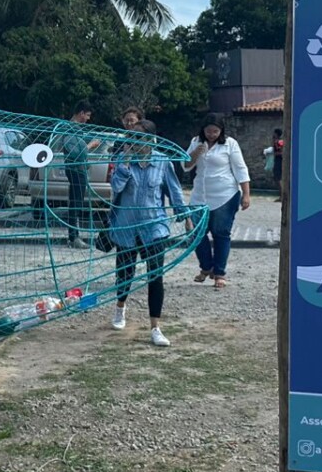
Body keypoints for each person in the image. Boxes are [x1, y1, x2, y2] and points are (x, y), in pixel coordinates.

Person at [107, 120, 189, 347]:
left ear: (151, 140)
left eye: (139, 137)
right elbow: (116, 187)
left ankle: (155, 327)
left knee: (155, 275)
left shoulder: (162, 161)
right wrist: (124, 163)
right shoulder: (122, 159)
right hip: (126, 226)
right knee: (125, 272)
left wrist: (185, 216)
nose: (134, 142)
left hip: (154, 227)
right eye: (132, 137)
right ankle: (120, 307)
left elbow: (174, 191)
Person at [184, 113, 251, 288]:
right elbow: (186, 166)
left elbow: (240, 168)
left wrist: (246, 194)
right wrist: (195, 153)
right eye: (209, 131)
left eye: (215, 131)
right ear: (203, 130)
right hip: (200, 195)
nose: (212, 135)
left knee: (221, 233)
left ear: (221, 130)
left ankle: (219, 273)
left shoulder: (230, 143)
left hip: (225, 195)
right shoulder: (196, 142)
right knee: (196, 232)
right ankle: (206, 267)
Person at [57, 100, 100, 246]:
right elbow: (75, 152)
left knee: (76, 202)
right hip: (75, 169)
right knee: (76, 203)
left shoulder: (74, 129)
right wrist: (90, 145)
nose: (88, 119)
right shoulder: (70, 129)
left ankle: (74, 236)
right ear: (81, 113)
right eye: (87, 115)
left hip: (77, 169)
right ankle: (74, 237)